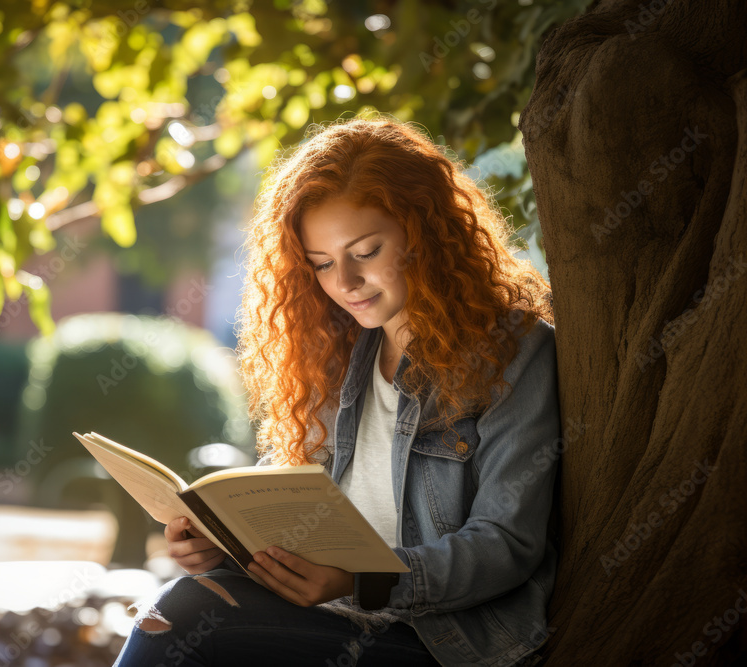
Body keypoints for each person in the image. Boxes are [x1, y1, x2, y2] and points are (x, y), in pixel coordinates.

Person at [112, 115, 561, 666]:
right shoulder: (338, 350)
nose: (344, 283)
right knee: (183, 604)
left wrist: (363, 581)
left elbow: (505, 545)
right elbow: (295, 502)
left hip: (441, 641)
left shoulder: (515, 349)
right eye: (322, 264)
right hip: (328, 615)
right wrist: (219, 543)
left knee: (184, 619)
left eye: (366, 252)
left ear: (422, 232)